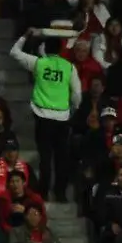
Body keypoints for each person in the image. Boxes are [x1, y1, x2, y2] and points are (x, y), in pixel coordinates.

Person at [11, 28, 83, 202]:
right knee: (61, 158)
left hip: (42, 116)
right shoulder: (69, 67)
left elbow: (14, 52)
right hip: (62, 118)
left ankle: (43, 192)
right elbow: (77, 93)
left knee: (45, 156)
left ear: (45, 48)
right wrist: (74, 108)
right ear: (60, 50)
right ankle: (60, 193)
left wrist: (25, 36)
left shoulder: (39, 63)